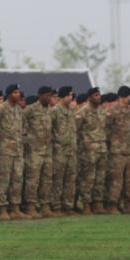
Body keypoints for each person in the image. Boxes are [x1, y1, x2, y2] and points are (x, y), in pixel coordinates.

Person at [0, 84, 29, 220]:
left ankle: (15, 208)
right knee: (4, 179)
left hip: (18, 150)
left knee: (17, 179)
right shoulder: (0, 108)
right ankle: (2, 209)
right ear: (8, 95)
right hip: (5, 150)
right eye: (15, 92)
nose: (18, 95)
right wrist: (4, 137)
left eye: (18, 92)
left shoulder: (19, 109)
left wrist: (20, 138)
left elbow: (24, 126)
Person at [23, 86, 54, 218]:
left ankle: (45, 206)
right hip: (34, 151)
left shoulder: (50, 110)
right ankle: (30, 206)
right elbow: (21, 125)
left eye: (50, 96)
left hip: (47, 150)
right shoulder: (30, 109)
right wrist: (27, 141)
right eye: (47, 95)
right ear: (40, 95)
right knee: (33, 180)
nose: (49, 98)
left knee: (47, 180)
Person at [106, 86, 130, 213]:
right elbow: (107, 128)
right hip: (117, 150)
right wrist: (113, 143)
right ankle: (112, 205)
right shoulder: (112, 110)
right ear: (121, 97)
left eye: (129, 96)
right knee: (116, 180)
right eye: (127, 97)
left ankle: (129, 205)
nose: (129, 99)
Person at [76, 87, 108, 214]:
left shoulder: (101, 111)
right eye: (95, 95)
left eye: (99, 95)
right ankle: (86, 204)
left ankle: (97, 203)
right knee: (88, 178)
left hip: (101, 148)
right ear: (89, 97)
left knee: (100, 178)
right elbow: (76, 130)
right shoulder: (83, 112)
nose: (98, 97)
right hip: (89, 150)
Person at [50, 86, 78, 214]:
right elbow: (49, 129)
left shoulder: (72, 109)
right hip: (59, 150)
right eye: (69, 95)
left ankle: (68, 206)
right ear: (63, 96)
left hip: (71, 150)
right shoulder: (55, 110)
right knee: (58, 179)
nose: (71, 98)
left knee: (70, 179)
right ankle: (56, 206)